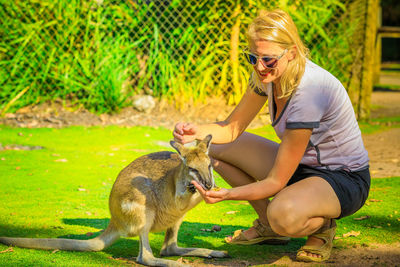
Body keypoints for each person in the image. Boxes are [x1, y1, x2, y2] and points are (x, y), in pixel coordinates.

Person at [173, 9, 370, 263]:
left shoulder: (309, 90)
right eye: (252, 58)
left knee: (283, 215)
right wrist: (194, 131)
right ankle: (268, 226)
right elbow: (232, 128)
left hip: (342, 178)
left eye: (268, 60)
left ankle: (321, 227)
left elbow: (276, 181)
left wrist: (227, 194)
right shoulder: (267, 75)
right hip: (303, 166)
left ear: (292, 53)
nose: (260, 66)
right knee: (210, 149)